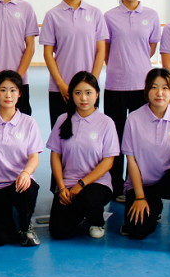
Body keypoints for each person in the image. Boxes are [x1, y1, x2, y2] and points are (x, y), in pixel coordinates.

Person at [121, 68, 170, 257]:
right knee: (137, 231)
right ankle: (154, 207)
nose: (159, 93)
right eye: (154, 87)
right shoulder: (133, 119)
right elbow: (131, 161)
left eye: (165, 88)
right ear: (147, 90)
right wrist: (139, 197)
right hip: (144, 184)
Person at [103, 0, 161, 202]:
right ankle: (116, 185)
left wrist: (136, 63)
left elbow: (151, 47)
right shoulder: (109, 16)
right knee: (115, 137)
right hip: (115, 85)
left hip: (141, 86)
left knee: (139, 138)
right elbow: (106, 49)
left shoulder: (151, 15)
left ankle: (134, 183)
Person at [0, 70, 43, 247]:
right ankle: (8, 221)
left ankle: (25, 226)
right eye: (3, 90)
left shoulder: (29, 122)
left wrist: (26, 173)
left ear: (19, 93)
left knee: (28, 188)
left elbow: (34, 157)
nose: (8, 95)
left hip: (19, 183)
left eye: (13, 90)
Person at [47, 72, 119, 240]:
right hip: (68, 184)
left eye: (88, 92)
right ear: (71, 95)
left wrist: (81, 184)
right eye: (78, 93)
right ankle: (80, 212)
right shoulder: (63, 120)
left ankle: (97, 221)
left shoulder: (106, 123)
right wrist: (61, 187)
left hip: (96, 183)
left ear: (97, 94)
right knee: (59, 232)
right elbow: (55, 156)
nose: (83, 98)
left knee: (87, 199)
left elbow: (108, 162)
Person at [41, 0, 109, 134]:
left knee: (89, 134)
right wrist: (61, 84)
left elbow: (101, 51)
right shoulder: (52, 15)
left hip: (89, 89)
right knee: (61, 134)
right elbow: (48, 54)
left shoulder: (95, 13)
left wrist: (92, 83)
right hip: (60, 88)